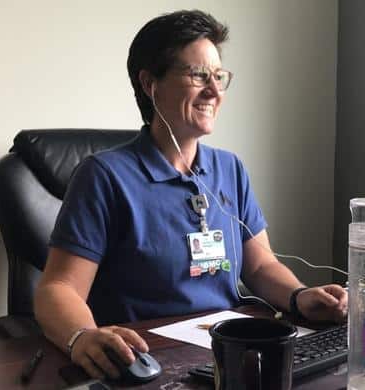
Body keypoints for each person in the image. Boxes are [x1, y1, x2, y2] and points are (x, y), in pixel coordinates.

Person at [33, 10, 348, 380]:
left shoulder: (229, 168)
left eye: (219, 76)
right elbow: (59, 287)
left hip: (228, 349)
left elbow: (260, 266)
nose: (214, 91)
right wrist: (82, 337)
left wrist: (299, 296)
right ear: (150, 84)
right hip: (148, 356)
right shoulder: (104, 176)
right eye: (198, 75)